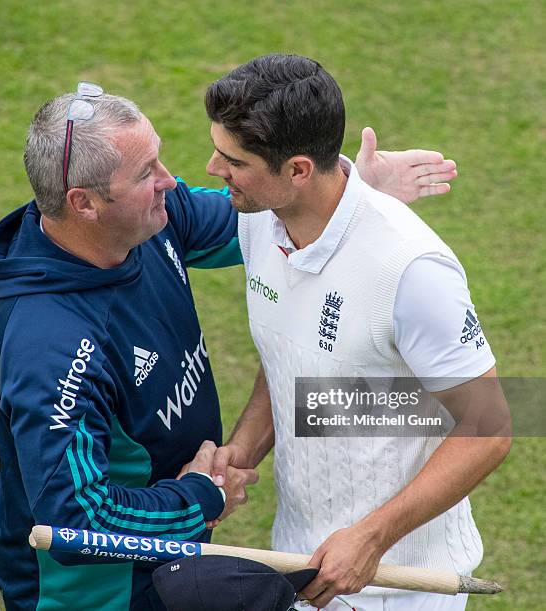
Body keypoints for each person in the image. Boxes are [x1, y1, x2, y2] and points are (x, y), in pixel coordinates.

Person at [0, 81, 459, 610]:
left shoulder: (152, 221)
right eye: (146, 174)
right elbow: (74, 521)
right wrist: (200, 498)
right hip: (97, 594)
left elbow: (271, 208)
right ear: (85, 203)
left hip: (170, 563)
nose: (171, 181)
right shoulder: (50, 348)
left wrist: (352, 188)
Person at [205, 54, 511, 610]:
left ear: (297, 170)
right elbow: (290, 354)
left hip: (403, 587)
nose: (212, 168)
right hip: (301, 567)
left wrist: (371, 537)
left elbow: (490, 425)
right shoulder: (256, 221)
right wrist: (242, 452)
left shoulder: (412, 269)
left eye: (234, 159)